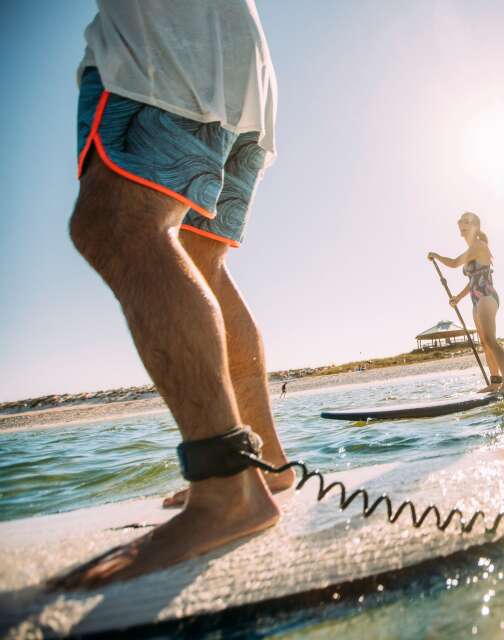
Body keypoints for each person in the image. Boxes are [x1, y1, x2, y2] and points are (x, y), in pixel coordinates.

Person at [53, 1, 293, 590]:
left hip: (163, 48)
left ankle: (226, 489)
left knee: (116, 224)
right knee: (200, 260)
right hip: (242, 70)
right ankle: (265, 466)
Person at [427, 212, 504, 395]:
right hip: (476, 300)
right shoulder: (471, 250)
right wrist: (458, 297)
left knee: (490, 339)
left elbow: (454, 263)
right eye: (460, 221)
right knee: (484, 343)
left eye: (467, 222)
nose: (462, 224)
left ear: (476, 226)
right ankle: (495, 382)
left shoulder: (478, 246)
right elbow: (472, 281)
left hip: (487, 297)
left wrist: (436, 255)